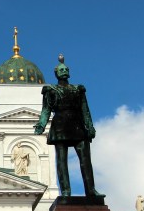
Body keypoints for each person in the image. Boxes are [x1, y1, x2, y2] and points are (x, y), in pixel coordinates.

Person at [34, 55, 101, 197]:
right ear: (56, 73)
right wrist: (41, 124)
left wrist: (90, 126)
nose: (63, 71)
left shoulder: (78, 89)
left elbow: (85, 110)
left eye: (65, 69)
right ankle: (66, 191)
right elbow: (46, 109)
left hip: (77, 124)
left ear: (68, 72)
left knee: (85, 160)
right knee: (61, 160)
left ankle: (91, 190)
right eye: (61, 69)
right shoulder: (50, 90)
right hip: (60, 125)